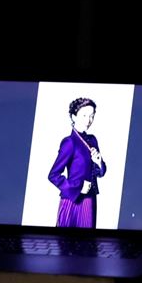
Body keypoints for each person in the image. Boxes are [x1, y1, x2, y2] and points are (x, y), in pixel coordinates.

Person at [47, 96, 107, 228]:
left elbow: (100, 173)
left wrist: (99, 162)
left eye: (91, 116)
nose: (88, 120)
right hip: (72, 200)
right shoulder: (69, 142)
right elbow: (53, 175)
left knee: (87, 240)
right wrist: (79, 187)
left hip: (90, 200)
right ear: (74, 117)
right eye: (84, 115)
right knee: (65, 239)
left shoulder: (93, 140)